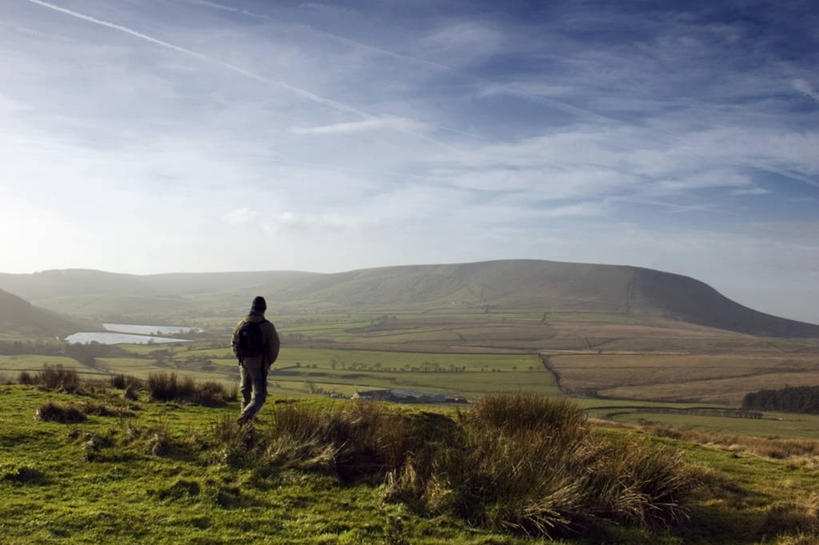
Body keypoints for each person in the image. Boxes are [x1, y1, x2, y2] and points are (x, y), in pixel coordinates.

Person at [232, 296, 280, 424]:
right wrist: (267, 362)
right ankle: (245, 417)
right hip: (259, 365)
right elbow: (274, 347)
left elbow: (233, 342)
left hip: (243, 364)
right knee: (259, 396)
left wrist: (241, 358)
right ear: (264, 309)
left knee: (246, 394)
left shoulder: (241, 323)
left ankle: (247, 428)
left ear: (252, 308)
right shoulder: (267, 326)